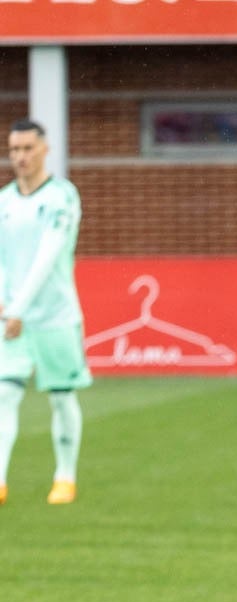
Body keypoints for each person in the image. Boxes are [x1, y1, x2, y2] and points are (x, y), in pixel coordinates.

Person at [0, 118, 90, 505]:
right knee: (4, 393)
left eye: (27, 149)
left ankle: (65, 476)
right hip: (11, 318)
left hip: (54, 315)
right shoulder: (4, 200)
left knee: (60, 396)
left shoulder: (62, 197)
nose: (20, 157)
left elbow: (47, 255)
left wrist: (18, 307)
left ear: (44, 150)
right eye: (14, 149)